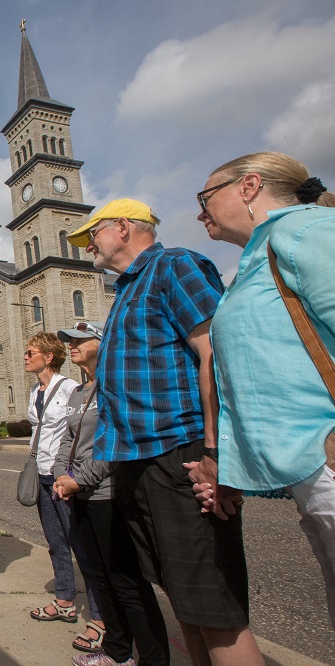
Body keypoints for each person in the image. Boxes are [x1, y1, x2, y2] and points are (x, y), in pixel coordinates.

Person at [67, 198, 264, 665]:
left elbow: (217, 352)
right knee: (185, 601)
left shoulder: (174, 265)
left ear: (122, 227)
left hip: (181, 454)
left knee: (214, 607)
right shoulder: (125, 290)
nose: (87, 246)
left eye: (91, 234)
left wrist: (216, 452)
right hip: (137, 461)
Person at [188, 152, 335, 629]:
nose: (199, 212)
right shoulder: (258, 256)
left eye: (206, 197)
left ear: (249, 187)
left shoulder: (305, 232)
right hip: (309, 473)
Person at [53, 321, 169, 666]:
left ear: (101, 344)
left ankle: (153, 658)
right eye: (68, 341)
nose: (70, 345)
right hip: (80, 495)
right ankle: (118, 654)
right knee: (99, 577)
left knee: (127, 582)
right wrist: (62, 476)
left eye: (78, 340)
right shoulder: (77, 392)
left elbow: (116, 443)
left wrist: (80, 479)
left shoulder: (113, 385)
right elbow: (66, 440)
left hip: (108, 495)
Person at [24, 333, 104, 645]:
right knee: (56, 542)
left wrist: (66, 475)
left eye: (31, 352)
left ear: (48, 356)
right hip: (43, 473)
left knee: (81, 546)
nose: (26, 356)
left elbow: (76, 433)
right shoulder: (35, 390)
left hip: (66, 479)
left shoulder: (69, 387)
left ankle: (99, 615)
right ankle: (65, 600)